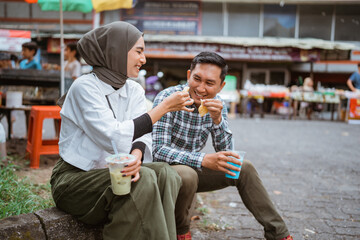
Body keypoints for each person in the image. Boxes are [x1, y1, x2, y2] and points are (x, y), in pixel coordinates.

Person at [50, 21, 194, 240]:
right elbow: (113, 135)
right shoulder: (85, 86)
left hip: (113, 173)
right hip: (74, 180)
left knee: (165, 173)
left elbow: (142, 133)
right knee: (143, 177)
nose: (143, 59)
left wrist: (136, 155)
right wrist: (162, 108)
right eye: (138, 51)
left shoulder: (134, 89)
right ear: (116, 51)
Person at [152, 52, 293, 240]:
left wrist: (218, 120)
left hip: (193, 171)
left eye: (209, 83)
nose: (200, 88)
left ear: (221, 86)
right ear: (188, 76)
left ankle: (279, 234)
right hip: (163, 172)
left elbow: (226, 154)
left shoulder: (218, 104)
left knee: (243, 167)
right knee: (188, 174)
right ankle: (181, 231)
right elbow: (158, 150)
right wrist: (203, 159)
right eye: (197, 79)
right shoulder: (168, 97)